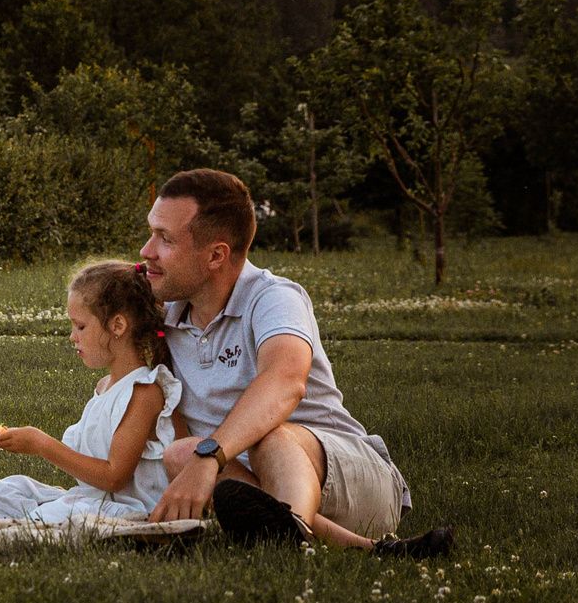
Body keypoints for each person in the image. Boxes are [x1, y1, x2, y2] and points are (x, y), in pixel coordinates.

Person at [144, 168, 453, 557]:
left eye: (165, 238)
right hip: (244, 488)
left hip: (348, 476)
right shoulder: (164, 316)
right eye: (152, 232)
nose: (146, 250)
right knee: (179, 454)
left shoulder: (273, 298)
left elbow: (284, 382)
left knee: (269, 438)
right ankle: (352, 549)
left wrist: (210, 455)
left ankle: (295, 539)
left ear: (216, 255)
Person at [0, 260, 180, 524]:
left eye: (80, 326)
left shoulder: (143, 392)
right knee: (7, 490)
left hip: (129, 508)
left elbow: (114, 478)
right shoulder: (105, 387)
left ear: (117, 326)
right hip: (93, 499)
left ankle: (30, 522)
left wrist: (42, 445)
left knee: (54, 514)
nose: (73, 336)